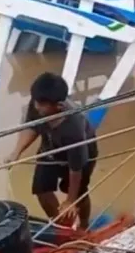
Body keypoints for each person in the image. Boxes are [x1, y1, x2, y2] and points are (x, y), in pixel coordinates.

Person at [6, 72, 98, 229]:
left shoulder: (73, 128)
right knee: (41, 188)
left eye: (42, 105)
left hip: (81, 155)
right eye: (36, 102)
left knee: (78, 193)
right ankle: (61, 226)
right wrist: (16, 152)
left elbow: (76, 169)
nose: (36, 107)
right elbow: (33, 127)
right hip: (50, 146)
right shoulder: (37, 102)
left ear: (59, 105)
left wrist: (70, 200)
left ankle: (84, 225)